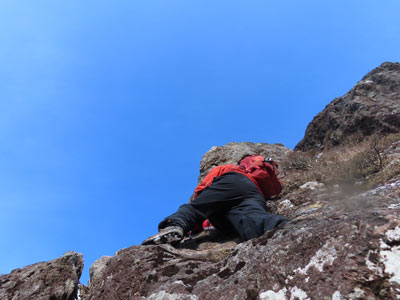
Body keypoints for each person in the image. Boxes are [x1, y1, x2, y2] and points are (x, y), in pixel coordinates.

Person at [142, 154, 290, 246]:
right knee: (251, 218)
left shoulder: (229, 168)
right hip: (255, 193)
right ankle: (283, 227)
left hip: (233, 182)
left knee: (196, 208)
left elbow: (202, 192)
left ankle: (174, 226)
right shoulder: (257, 180)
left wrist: (194, 220)